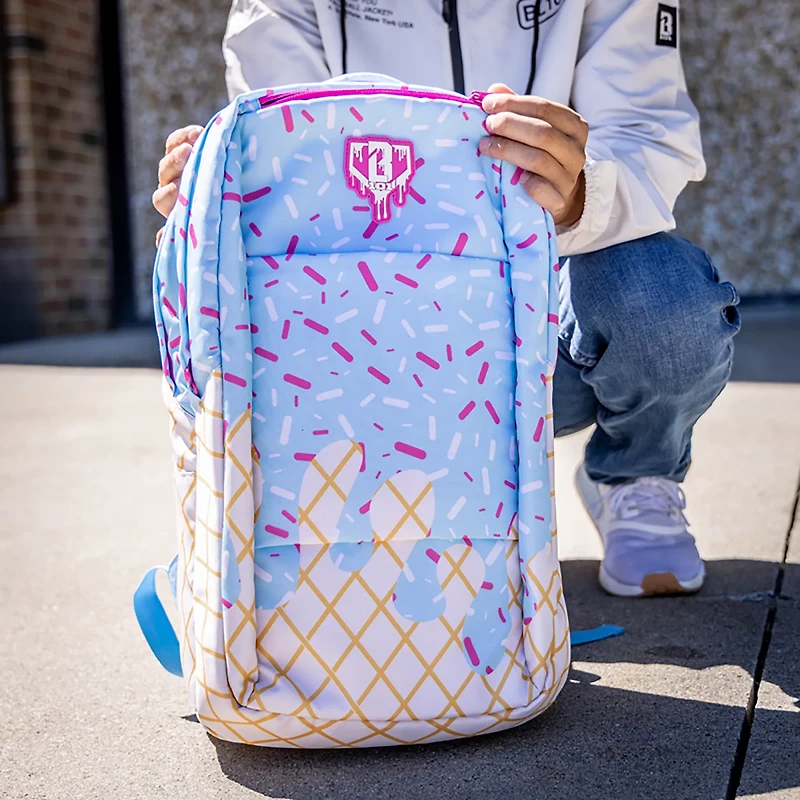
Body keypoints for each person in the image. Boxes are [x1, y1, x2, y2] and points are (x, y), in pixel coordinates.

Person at [153, 0, 740, 598]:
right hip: (367, 347)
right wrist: (221, 201)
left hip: (540, 352)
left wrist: (579, 191)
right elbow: (277, 141)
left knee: (666, 302)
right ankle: (383, 515)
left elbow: (648, 134)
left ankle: (637, 476)